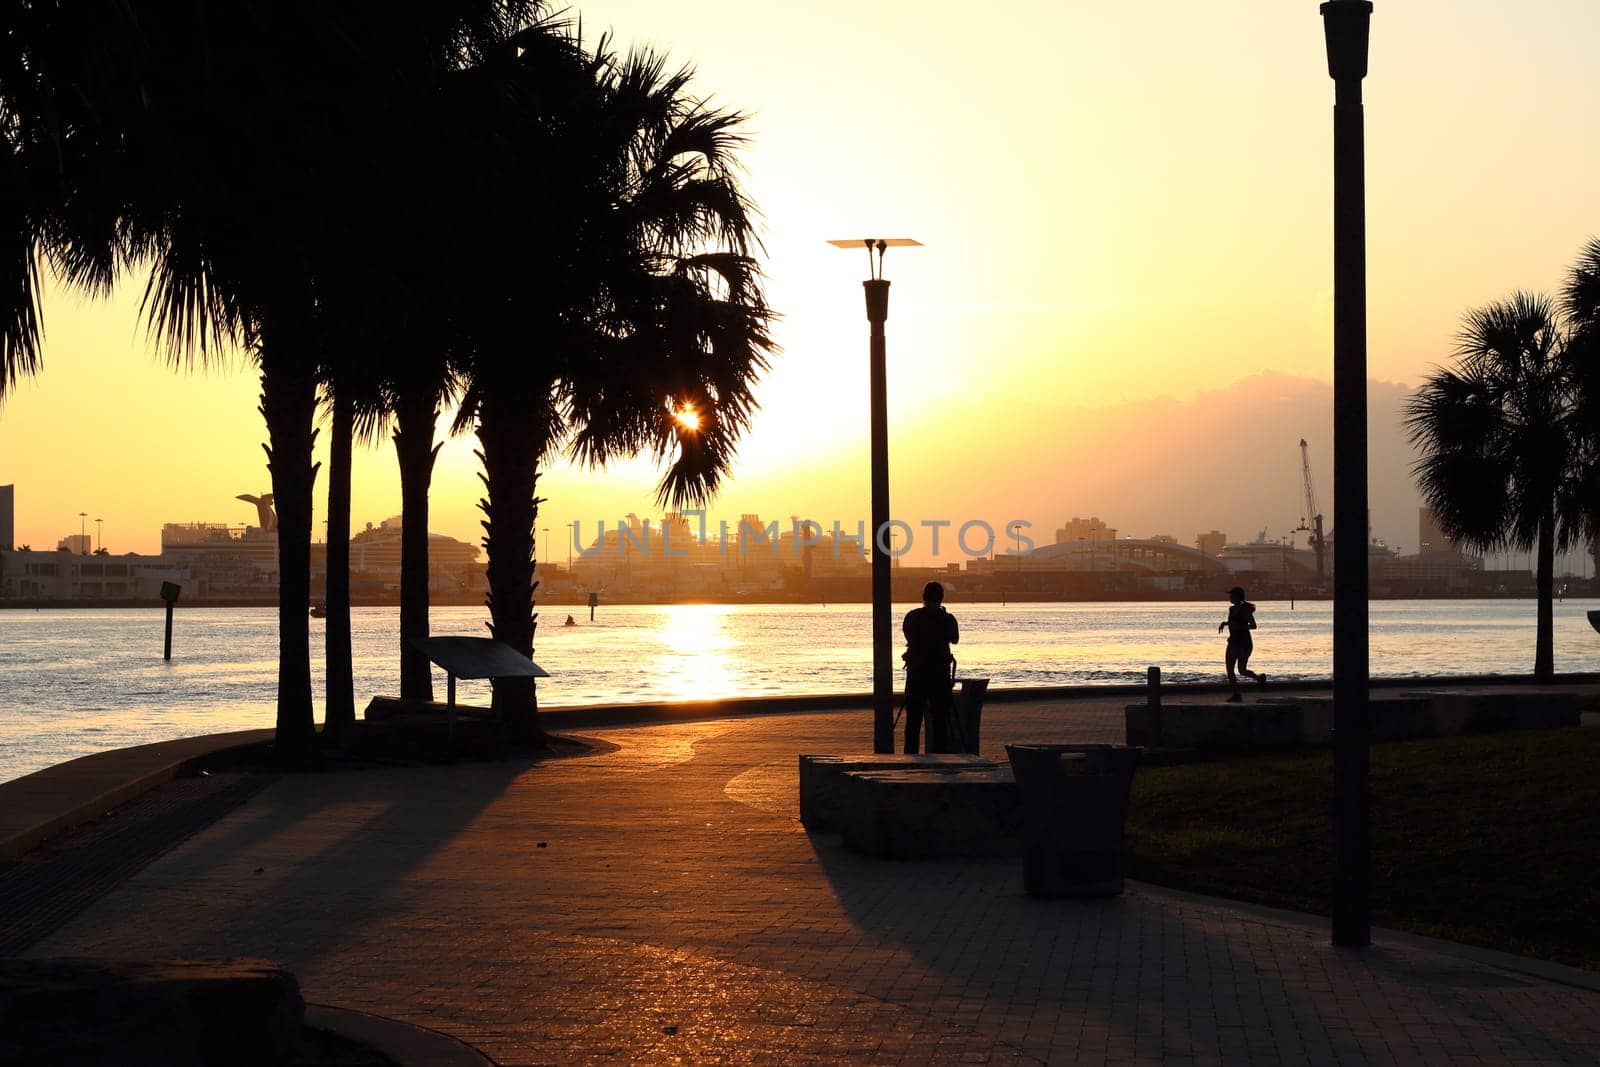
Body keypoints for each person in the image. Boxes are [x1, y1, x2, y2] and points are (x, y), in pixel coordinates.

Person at [902, 581, 959, 753]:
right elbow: (955, 639)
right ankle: (938, 755)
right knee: (939, 721)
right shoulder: (947, 619)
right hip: (939, 675)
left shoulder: (912, 616)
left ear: (923, 597)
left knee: (913, 721)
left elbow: (909, 637)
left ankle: (910, 756)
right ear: (941, 598)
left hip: (916, 673)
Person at [1217, 585, 1266, 701]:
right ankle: (1236, 694)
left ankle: (1258, 678)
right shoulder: (1232, 609)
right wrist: (1225, 623)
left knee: (1241, 670)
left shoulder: (1245, 610)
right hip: (1233, 641)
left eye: (1232, 595)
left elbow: (1254, 626)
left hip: (1244, 643)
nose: (1230, 597)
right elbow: (1233, 622)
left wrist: (1241, 626)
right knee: (1230, 669)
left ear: (1238, 597)